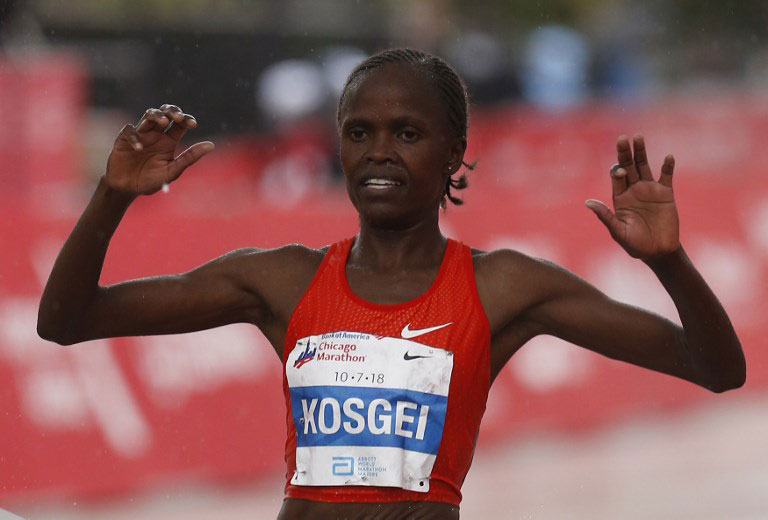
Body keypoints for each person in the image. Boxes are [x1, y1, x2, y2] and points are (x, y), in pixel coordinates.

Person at [38, 48, 745, 520]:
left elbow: (717, 369)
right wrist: (112, 195)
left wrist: (668, 262)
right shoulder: (280, 278)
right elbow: (66, 320)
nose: (378, 151)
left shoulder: (504, 288)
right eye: (359, 132)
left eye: (407, 133)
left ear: (454, 154)